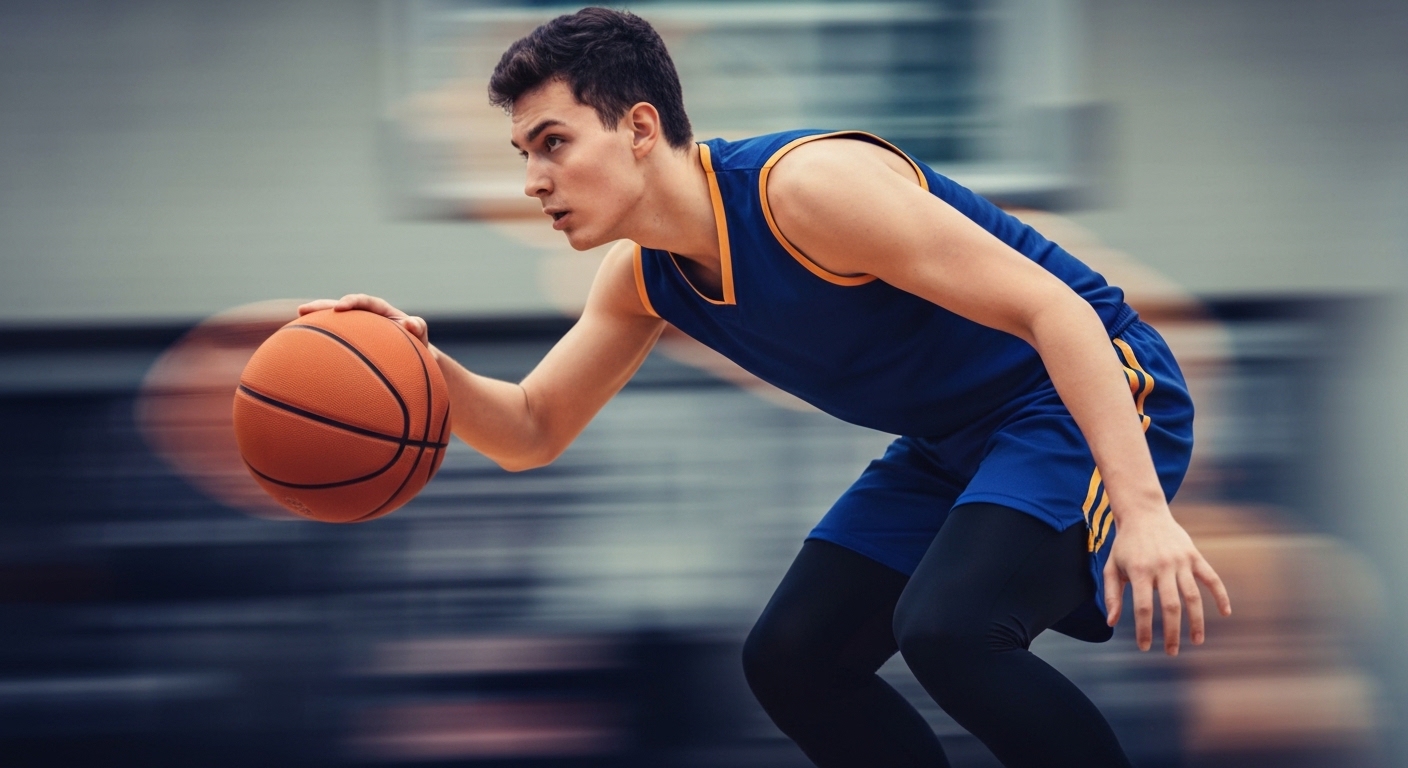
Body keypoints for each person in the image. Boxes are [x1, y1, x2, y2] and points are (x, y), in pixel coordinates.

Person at [300, 7, 1231, 767]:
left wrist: (1143, 513)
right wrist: (417, 365)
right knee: (793, 659)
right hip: (953, 444)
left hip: (1088, 390)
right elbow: (531, 431)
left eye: (553, 142)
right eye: (523, 156)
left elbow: (1057, 313)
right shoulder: (644, 279)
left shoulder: (809, 191)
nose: (535, 180)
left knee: (950, 630)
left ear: (638, 127)